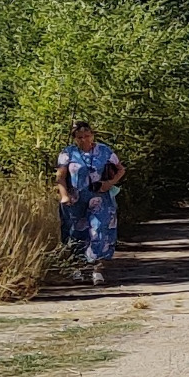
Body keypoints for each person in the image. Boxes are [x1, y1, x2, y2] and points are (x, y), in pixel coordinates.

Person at [54, 121, 124, 286]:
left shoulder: (104, 151)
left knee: (99, 229)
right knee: (75, 233)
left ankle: (97, 269)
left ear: (92, 135)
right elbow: (60, 177)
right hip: (75, 198)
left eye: (87, 136)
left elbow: (120, 169)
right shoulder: (68, 153)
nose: (84, 140)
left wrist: (110, 183)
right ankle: (76, 268)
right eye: (80, 137)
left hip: (100, 197)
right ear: (74, 138)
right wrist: (64, 196)